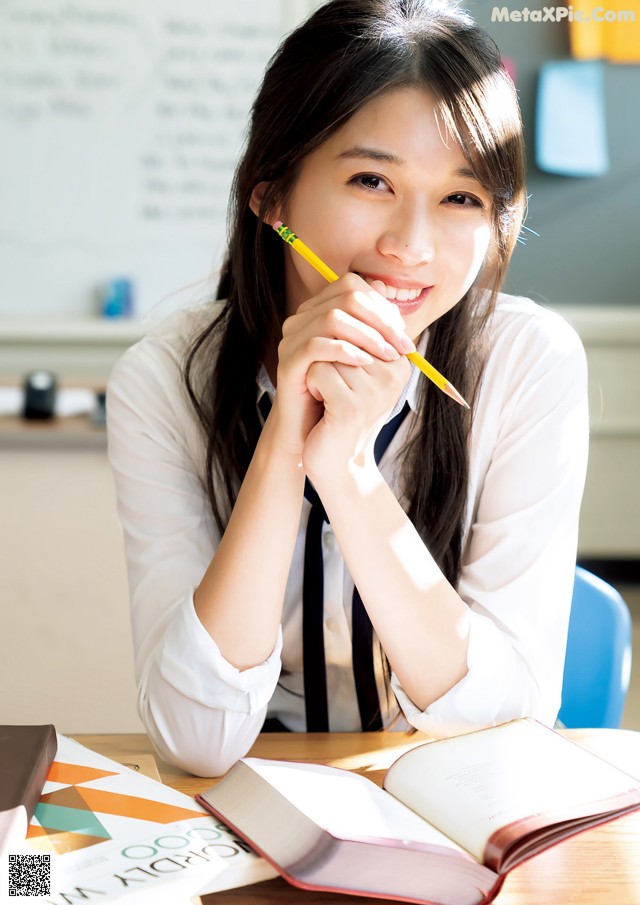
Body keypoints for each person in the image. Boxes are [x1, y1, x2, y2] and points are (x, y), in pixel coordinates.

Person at [107, 0, 589, 777]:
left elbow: (507, 722)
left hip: (449, 800)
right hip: (247, 802)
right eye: (371, 180)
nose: (412, 244)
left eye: (462, 197)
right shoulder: (165, 379)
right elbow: (194, 740)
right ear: (272, 199)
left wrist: (349, 469)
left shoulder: (529, 364)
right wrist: (286, 440)